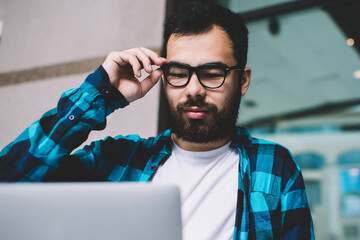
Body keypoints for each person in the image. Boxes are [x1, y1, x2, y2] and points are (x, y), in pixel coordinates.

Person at [0, 1, 314, 239]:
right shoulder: (114, 159)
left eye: (212, 74)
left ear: (242, 80)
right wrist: (97, 95)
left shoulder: (275, 167)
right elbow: (8, 186)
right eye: (178, 73)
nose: (193, 90)